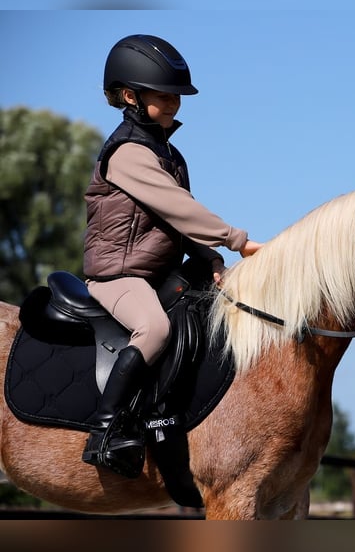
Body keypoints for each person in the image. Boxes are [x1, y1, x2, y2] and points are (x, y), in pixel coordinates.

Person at [81, 34, 262, 478]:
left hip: (158, 273)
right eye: (165, 94)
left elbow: (177, 224)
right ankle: (104, 432)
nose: (175, 102)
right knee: (155, 328)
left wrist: (213, 262)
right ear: (130, 96)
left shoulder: (169, 153)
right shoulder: (127, 152)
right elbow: (183, 209)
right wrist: (236, 241)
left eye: (177, 94)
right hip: (117, 277)